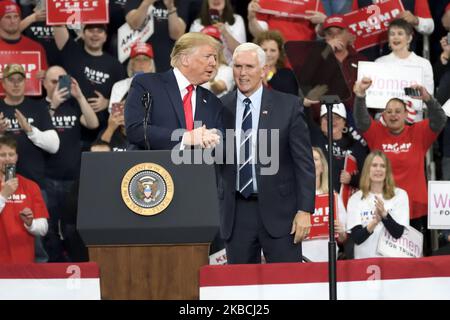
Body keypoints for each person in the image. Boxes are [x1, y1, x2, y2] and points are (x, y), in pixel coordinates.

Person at [219, 42, 315, 264]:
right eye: (238, 66)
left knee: (286, 286)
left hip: (282, 214)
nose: (243, 73)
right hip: (236, 214)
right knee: (240, 287)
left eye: (250, 67)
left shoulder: (288, 106)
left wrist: (305, 210)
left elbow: (304, 163)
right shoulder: (220, 106)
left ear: (263, 71)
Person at [353, 77, 446, 255]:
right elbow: (361, 120)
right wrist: (360, 95)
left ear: (406, 114)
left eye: (397, 111)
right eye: (388, 112)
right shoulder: (376, 133)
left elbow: (440, 119)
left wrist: (428, 98)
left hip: (415, 208)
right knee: (385, 258)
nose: (393, 115)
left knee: (414, 261)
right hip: (384, 208)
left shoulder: (419, 132)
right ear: (383, 116)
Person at [125, 32, 223, 150]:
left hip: (197, 167)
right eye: (208, 56)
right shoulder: (147, 84)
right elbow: (136, 130)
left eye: (215, 58)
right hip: (156, 166)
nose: (213, 63)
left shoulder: (213, 101)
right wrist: (185, 138)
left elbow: (221, 149)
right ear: (185, 59)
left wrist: (214, 140)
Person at [42, 65, 98, 262]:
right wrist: (53, 105)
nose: (58, 85)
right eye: (54, 81)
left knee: (72, 227)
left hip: (74, 179)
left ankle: (75, 265)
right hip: (48, 179)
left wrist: (80, 96)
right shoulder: (40, 106)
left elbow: (93, 124)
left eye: (62, 80)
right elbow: (36, 133)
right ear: (44, 83)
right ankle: (53, 267)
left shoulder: (74, 105)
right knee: (49, 229)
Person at [53, 23, 127, 149]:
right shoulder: (72, 53)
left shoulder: (115, 65)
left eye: (99, 31)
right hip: (72, 130)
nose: (95, 34)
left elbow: (125, 99)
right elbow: (57, 24)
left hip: (103, 134)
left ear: (105, 37)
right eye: (91, 30)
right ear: (82, 33)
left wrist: (107, 102)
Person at [0, 64, 59, 190]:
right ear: (3, 83)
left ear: (25, 82)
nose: (16, 84)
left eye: (19, 80)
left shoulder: (38, 108)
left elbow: (54, 146)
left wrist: (30, 130)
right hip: (3, 184)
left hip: (35, 183)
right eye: (11, 80)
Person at [347, 150, 409, 259]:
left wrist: (385, 216)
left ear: (387, 171)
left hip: (393, 261)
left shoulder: (400, 195)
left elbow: (398, 233)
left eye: (382, 166)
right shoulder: (355, 198)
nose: (378, 169)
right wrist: (375, 221)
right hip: (365, 261)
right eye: (374, 165)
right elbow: (357, 238)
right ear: (367, 170)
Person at [0, 135, 49, 263]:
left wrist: (30, 223)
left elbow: (43, 228)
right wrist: (3, 196)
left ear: (17, 158)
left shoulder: (31, 186)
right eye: (2, 155)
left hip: (24, 262)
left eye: (11, 154)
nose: (7, 159)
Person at [375, 18, 434, 121]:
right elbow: (373, 97)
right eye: (392, 34)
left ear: (409, 38)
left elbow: (428, 98)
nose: (395, 37)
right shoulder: (379, 63)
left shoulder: (423, 64)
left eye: (400, 33)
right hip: (384, 121)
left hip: (413, 121)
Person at [305, 102, 367, 193]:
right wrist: (306, 104)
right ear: (321, 122)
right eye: (327, 118)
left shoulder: (356, 146)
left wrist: (352, 179)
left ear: (344, 122)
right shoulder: (315, 137)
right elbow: (304, 116)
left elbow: (367, 177)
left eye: (336, 118)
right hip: (320, 197)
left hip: (347, 201)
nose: (331, 121)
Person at [302, 147, 347, 262]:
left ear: (322, 166)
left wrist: (340, 231)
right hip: (300, 258)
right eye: (308, 159)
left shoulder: (333, 196)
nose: (311, 162)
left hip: (327, 259)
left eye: (315, 159)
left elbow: (343, 238)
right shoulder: (294, 196)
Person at [351, 0, 434, 60]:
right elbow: (353, 27)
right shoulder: (358, 1)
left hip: (404, 60)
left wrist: (416, 20)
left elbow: (430, 27)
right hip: (369, 60)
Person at [125, 0, 188, 72]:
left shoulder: (179, 2)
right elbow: (134, 24)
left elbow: (177, 35)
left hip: (166, 58)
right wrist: (146, 3)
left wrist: (170, 8)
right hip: (140, 58)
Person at [0, 1, 48, 78]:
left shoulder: (36, 48)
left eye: (16, 17)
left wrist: (45, 76)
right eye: (8, 17)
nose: (13, 21)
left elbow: (46, 79)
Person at [108, 42, 156, 113]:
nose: (141, 63)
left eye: (145, 59)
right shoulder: (119, 86)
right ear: (131, 65)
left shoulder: (160, 87)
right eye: (137, 59)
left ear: (151, 65)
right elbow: (114, 114)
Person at [247, 0, 327, 42]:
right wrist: (251, 18)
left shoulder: (314, 2)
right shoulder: (266, 1)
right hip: (274, 56)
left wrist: (324, 22)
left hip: (302, 55)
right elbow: (257, 34)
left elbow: (322, 33)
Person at [253, 30, 299, 96]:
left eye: (273, 50)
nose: (268, 54)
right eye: (264, 50)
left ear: (279, 53)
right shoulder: (249, 73)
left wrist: (269, 78)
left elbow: (291, 100)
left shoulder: (288, 75)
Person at [199, 25, 234, 98]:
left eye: (212, 42)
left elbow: (219, 88)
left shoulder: (227, 70)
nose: (208, 46)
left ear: (220, 46)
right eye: (204, 42)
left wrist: (211, 80)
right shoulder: (193, 69)